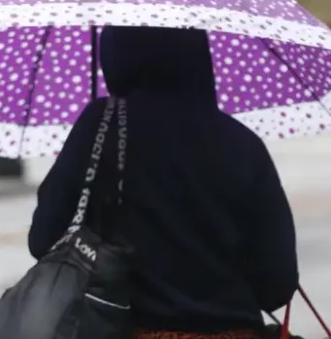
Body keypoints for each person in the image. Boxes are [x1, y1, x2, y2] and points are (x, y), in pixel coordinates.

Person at [28, 26, 299, 338]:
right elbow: (278, 282)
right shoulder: (243, 143)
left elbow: (44, 239)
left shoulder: (102, 126)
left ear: (117, 56)